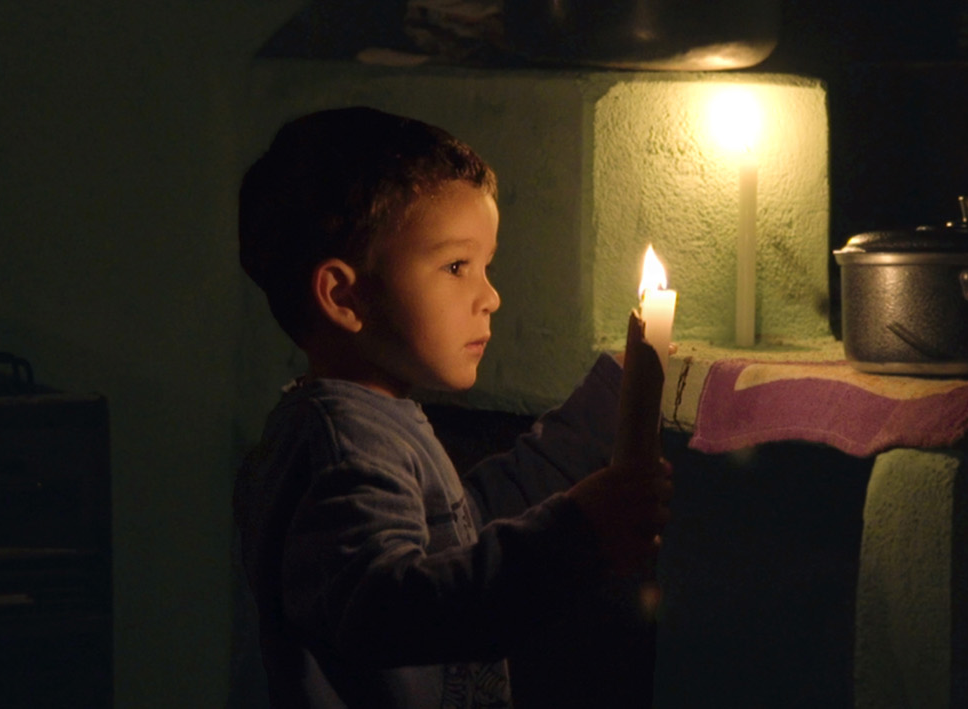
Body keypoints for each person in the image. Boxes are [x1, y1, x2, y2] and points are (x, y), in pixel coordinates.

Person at [233, 106, 672, 708]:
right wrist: (576, 536)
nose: (489, 297)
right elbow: (389, 608)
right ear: (344, 294)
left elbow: (472, 523)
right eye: (456, 266)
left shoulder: (371, 420)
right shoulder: (338, 445)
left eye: (484, 266)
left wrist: (614, 397)